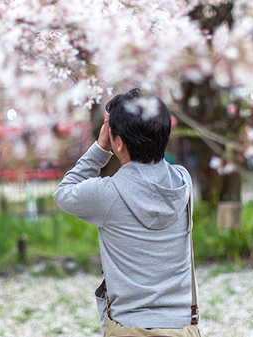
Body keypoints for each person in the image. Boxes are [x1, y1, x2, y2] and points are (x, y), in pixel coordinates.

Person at [53, 88, 196, 333]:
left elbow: (64, 192)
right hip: (181, 327)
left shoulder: (107, 194)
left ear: (118, 142)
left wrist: (100, 148)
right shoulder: (183, 181)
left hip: (129, 328)